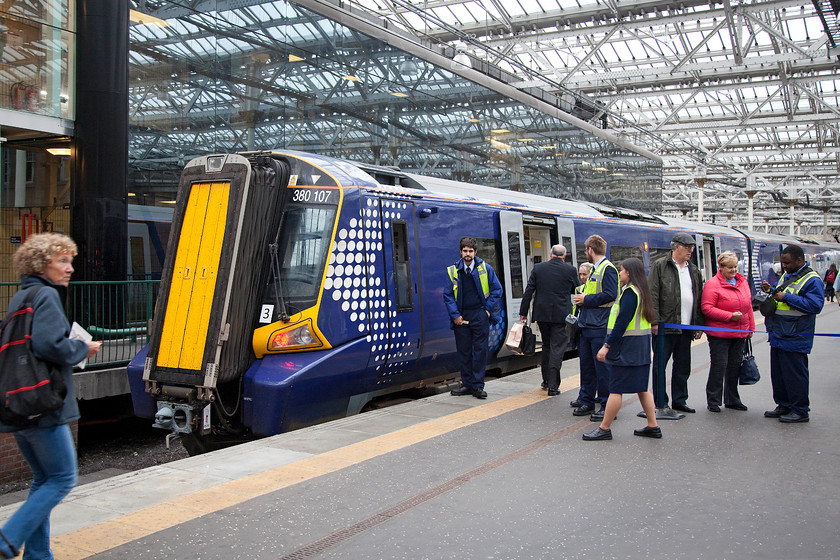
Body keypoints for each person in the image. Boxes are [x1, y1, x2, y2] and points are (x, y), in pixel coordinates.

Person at [0, 233, 101, 560]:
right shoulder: (46, 296)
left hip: (21, 405)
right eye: (62, 261)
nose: (70, 268)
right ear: (42, 264)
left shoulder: (22, 297)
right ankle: (7, 538)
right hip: (46, 406)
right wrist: (82, 348)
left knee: (43, 479)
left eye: (69, 261)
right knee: (62, 478)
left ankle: (38, 555)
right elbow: (49, 346)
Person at [583, 258, 661, 440]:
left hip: (626, 349)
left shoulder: (629, 293)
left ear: (629, 273)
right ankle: (653, 425)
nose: (619, 274)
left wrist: (606, 346)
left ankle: (604, 428)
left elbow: (621, 324)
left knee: (615, 389)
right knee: (642, 388)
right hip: (641, 348)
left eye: (622, 271)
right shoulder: (642, 291)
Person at [760, 244, 823, 423]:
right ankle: (784, 404)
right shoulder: (786, 276)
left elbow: (815, 305)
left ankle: (800, 410)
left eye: (787, 263)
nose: (784, 266)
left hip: (796, 336)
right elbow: (781, 297)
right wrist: (771, 291)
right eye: (782, 263)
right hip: (779, 333)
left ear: (799, 260)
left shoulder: (812, 280)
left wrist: (785, 297)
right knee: (779, 374)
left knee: (795, 375)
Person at [648, 232, 704, 414]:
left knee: (682, 366)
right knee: (660, 366)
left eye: (692, 248)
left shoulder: (693, 270)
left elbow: (699, 297)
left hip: (686, 327)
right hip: (665, 327)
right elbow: (652, 295)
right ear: (676, 247)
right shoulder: (660, 266)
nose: (690, 250)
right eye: (687, 247)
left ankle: (680, 400)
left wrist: (698, 324)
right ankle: (661, 402)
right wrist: (655, 322)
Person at [443, 236, 503, 399]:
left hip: (479, 314)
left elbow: (497, 290)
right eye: (464, 251)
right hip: (461, 317)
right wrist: (455, 315)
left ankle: (477, 386)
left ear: (475, 252)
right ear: (460, 252)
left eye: (470, 251)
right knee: (464, 351)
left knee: (479, 352)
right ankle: (467, 384)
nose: (467, 254)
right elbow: (448, 294)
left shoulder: (485, 268)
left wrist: (487, 311)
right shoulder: (453, 270)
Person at [519, 244, 579, 396]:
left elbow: (529, 291)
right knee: (557, 349)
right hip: (561, 315)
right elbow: (577, 289)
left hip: (542, 314)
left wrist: (523, 312)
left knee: (546, 346)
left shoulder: (538, 268)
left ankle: (546, 381)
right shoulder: (570, 270)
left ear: (551, 254)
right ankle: (553, 386)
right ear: (564, 256)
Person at [571, 235, 618, 420]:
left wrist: (586, 299)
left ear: (590, 250)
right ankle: (587, 400)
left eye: (585, 250)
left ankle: (606, 406)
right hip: (587, 324)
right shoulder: (595, 270)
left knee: (602, 368)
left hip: (599, 325)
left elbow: (610, 294)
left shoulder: (608, 269)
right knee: (587, 366)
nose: (586, 253)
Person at [701, 252, 755, 412]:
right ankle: (713, 400)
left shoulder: (742, 282)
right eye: (730, 267)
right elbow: (706, 308)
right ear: (721, 268)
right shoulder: (712, 284)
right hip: (720, 334)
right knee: (719, 366)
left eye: (735, 267)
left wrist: (751, 326)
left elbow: (748, 305)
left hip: (740, 332)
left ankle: (732, 399)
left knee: (734, 366)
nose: (733, 270)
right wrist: (729, 316)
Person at [569, 262, 593, 407]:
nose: (582, 277)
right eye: (581, 274)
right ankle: (583, 395)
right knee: (585, 366)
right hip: (580, 329)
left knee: (592, 367)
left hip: (590, 329)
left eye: (585, 274)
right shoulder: (579, 289)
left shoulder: (592, 290)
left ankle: (588, 396)